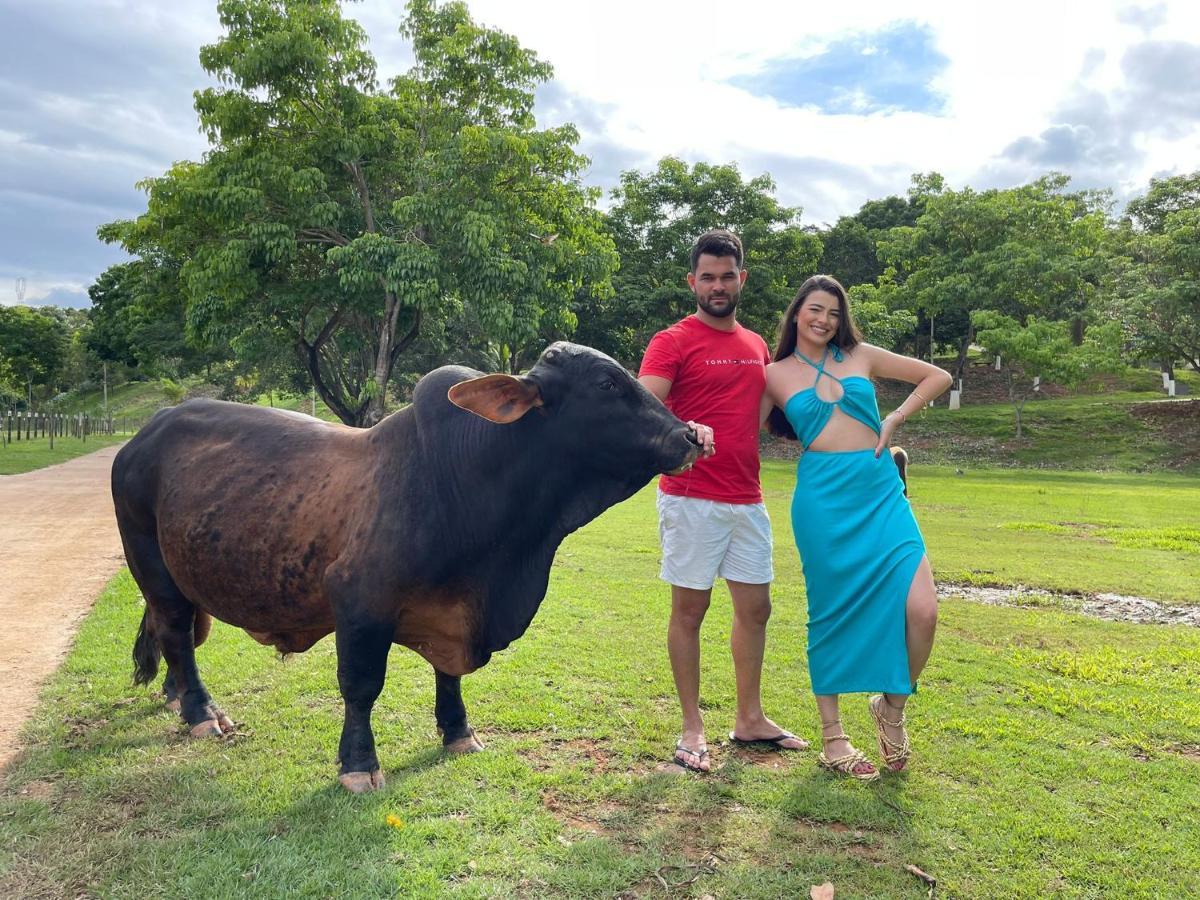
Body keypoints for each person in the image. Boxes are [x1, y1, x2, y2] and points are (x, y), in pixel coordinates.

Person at [763, 274, 951, 780]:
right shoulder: (773, 375)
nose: (823, 320)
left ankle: (891, 708)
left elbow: (937, 377)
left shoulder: (862, 355)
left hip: (879, 489)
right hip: (823, 500)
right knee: (829, 611)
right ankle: (833, 739)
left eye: (833, 312)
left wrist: (894, 419)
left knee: (923, 609)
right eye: (815, 310)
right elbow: (740, 432)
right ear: (797, 313)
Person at [638, 229, 807, 773]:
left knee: (756, 609)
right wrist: (684, 426)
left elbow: (760, 416)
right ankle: (692, 729)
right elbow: (641, 412)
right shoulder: (673, 340)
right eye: (707, 277)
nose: (717, 285)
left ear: (742, 279)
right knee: (691, 611)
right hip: (691, 498)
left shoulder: (757, 345)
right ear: (692, 282)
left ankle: (749, 719)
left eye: (726, 275)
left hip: (747, 496)